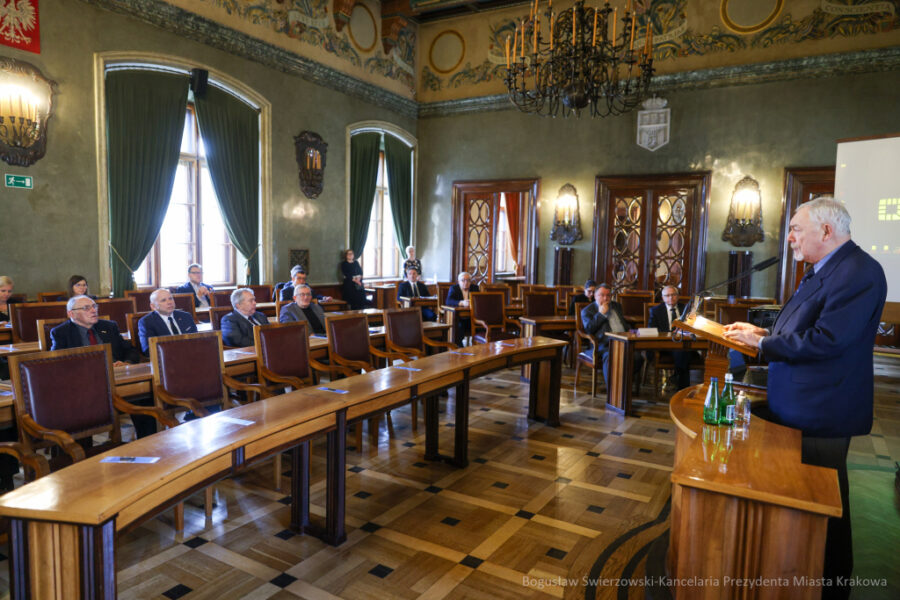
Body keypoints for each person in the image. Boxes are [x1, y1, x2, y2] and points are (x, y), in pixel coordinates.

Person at [724, 197, 886, 599]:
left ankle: (829, 587)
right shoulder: (824, 270)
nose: (790, 238)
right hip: (799, 405)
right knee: (805, 505)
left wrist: (762, 347)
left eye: (796, 228)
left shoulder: (859, 272)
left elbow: (827, 340)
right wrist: (763, 335)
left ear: (826, 231)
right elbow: (803, 325)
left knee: (823, 509)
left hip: (822, 411)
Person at [581, 283, 642, 389]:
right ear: (595, 296)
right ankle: (613, 390)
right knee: (611, 356)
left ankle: (623, 383)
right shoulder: (588, 311)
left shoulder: (616, 306)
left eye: (608, 295)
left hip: (624, 341)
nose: (605, 298)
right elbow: (589, 329)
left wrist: (632, 331)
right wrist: (601, 315)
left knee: (638, 357)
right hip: (604, 344)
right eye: (602, 295)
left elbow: (623, 323)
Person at [50, 295, 140, 365]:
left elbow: (130, 350)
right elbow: (57, 362)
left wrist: (126, 363)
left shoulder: (109, 326)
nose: (93, 310)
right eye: (86, 308)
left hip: (115, 373)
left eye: (94, 306)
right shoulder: (61, 333)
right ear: (71, 314)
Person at [648, 285, 692, 390]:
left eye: (673, 295)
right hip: (664, 345)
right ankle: (681, 386)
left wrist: (685, 330)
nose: (671, 298)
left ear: (678, 296)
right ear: (663, 298)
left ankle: (681, 388)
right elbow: (652, 329)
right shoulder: (656, 310)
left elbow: (693, 326)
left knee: (683, 352)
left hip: (682, 343)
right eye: (667, 295)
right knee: (683, 353)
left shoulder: (686, 309)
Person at [137, 288, 198, 354]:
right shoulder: (147, 322)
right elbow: (148, 350)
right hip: (167, 358)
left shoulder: (186, 316)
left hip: (191, 354)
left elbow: (197, 340)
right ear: (153, 306)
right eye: (163, 300)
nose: (169, 302)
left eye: (170, 298)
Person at [446, 271, 480, 345]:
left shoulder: (475, 288)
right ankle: (459, 348)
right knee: (459, 327)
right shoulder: (454, 288)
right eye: (463, 280)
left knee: (482, 325)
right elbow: (448, 301)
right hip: (459, 318)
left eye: (468, 280)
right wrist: (461, 303)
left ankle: (478, 347)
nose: (466, 282)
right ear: (458, 281)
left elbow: (479, 300)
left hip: (471, 317)